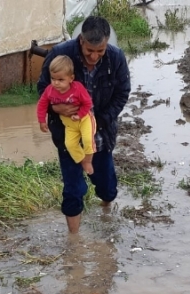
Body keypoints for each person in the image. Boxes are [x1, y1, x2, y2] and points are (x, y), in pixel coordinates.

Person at [37, 16, 131, 234]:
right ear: (81, 40)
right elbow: (43, 88)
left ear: (107, 43)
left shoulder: (116, 58)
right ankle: (74, 243)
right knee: (73, 190)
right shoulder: (60, 55)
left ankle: (106, 212)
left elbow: (122, 94)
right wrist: (54, 109)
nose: (94, 56)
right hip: (67, 135)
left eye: (100, 51)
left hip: (101, 136)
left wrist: (100, 121)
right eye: (90, 50)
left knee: (107, 187)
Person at [36, 55, 96, 175]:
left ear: (71, 78)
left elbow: (88, 103)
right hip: (69, 124)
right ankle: (82, 160)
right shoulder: (49, 90)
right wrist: (42, 121)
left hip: (85, 119)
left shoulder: (78, 88)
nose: (56, 83)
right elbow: (41, 105)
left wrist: (79, 115)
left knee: (88, 139)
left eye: (60, 80)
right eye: (53, 79)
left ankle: (88, 161)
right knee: (69, 144)